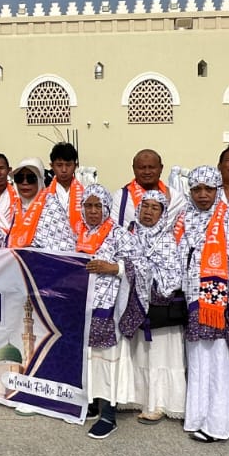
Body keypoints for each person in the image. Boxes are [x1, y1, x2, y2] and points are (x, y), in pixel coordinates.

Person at [173, 166, 229, 443]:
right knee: (198, 362)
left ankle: (218, 424)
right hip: (193, 303)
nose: (203, 195)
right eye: (197, 189)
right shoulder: (185, 218)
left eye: (208, 189)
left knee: (219, 364)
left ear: (218, 189)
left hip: (220, 304)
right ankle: (198, 417)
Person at [78, 185, 145, 439]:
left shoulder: (119, 234)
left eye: (98, 206)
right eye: (88, 206)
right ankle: (92, 403)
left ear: (107, 208)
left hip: (109, 309)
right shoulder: (78, 232)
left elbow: (141, 267)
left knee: (106, 360)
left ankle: (108, 415)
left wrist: (114, 268)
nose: (93, 211)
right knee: (88, 359)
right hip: (83, 307)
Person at [124, 191, 186, 424]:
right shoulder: (129, 236)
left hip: (159, 310)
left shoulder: (167, 240)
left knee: (160, 358)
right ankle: (137, 399)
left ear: (163, 213)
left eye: (155, 208)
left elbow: (173, 278)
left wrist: (144, 275)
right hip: (134, 308)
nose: (148, 212)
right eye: (145, 206)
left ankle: (159, 403)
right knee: (139, 354)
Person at [7, 159, 74, 251]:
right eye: (19, 178)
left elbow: (65, 250)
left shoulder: (51, 207)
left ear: (40, 180)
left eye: (31, 178)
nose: (25, 182)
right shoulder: (12, 207)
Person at [113, 149, 169, 230]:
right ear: (134, 169)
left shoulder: (174, 198)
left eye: (151, 167)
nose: (147, 172)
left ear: (161, 168)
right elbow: (113, 229)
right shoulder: (121, 197)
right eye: (142, 168)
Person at [46, 142, 84, 238]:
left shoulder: (85, 193)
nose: (64, 170)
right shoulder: (43, 195)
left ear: (76, 166)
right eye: (59, 165)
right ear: (51, 166)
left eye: (68, 165)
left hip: (78, 242)